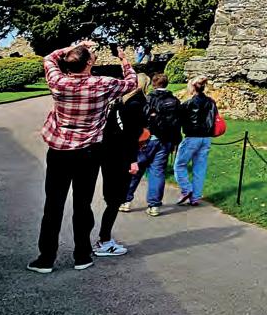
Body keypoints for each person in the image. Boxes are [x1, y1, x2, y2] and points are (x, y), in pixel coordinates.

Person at [30, 41, 136, 273]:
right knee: (82, 204)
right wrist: (124, 59)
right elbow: (131, 82)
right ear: (89, 62)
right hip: (88, 152)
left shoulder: (58, 82)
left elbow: (49, 58)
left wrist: (73, 46)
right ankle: (81, 255)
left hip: (59, 151)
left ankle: (46, 259)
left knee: (53, 205)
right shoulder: (103, 84)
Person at [92, 73, 150, 257]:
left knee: (112, 198)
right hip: (121, 156)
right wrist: (132, 160)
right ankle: (104, 241)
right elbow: (131, 136)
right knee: (115, 199)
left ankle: (104, 238)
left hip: (108, 153)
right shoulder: (137, 105)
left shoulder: (119, 103)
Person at [123, 71, 182, 215]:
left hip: (147, 140)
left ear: (154, 84)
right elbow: (177, 123)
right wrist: (175, 141)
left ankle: (125, 201)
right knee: (157, 172)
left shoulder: (148, 99)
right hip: (166, 141)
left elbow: (141, 120)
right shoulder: (174, 101)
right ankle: (154, 205)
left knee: (136, 169)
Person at [173, 76, 218, 206]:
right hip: (206, 138)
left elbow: (178, 120)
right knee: (200, 168)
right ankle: (195, 197)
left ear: (192, 87)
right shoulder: (211, 102)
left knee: (179, 165)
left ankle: (186, 189)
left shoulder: (188, 104)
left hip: (192, 137)